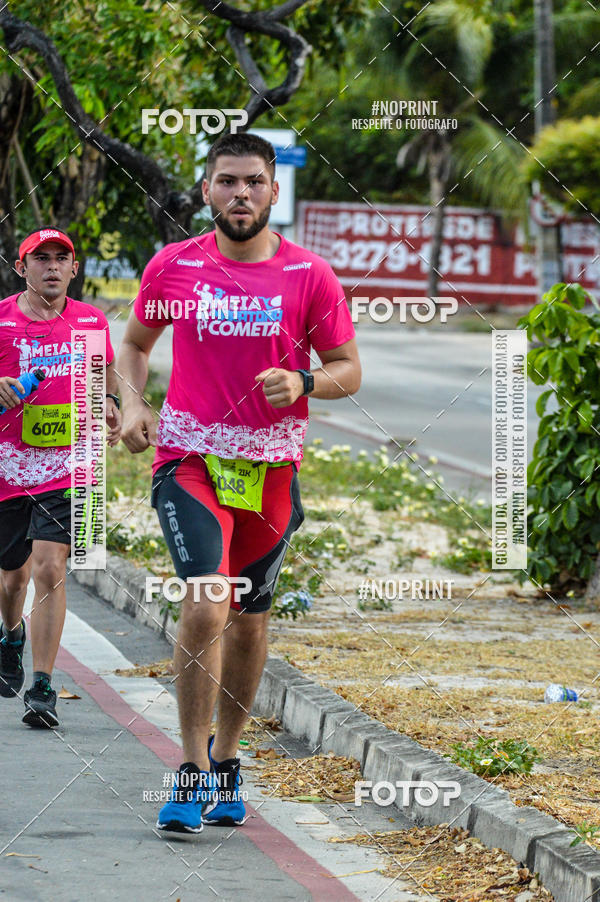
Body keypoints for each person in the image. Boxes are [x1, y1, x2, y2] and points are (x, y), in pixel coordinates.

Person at [118, 132, 361, 835]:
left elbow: (348, 367)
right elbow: (134, 345)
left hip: (272, 471)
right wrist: (132, 403)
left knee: (250, 620)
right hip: (189, 459)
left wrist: (306, 380)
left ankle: (227, 760)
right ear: (207, 190)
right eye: (227, 181)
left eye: (254, 182)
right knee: (205, 603)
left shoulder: (309, 276)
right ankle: (189, 770)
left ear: (273, 192)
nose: (241, 194)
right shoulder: (174, 267)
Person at [0, 228, 121, 727]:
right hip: (8, 465)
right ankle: (11, 636)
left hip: (71, 464)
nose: (52, 266)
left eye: (61, 259)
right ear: (21, 267)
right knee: (13, 578)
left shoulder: (91, 320)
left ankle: (43, 685)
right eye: (40, 258)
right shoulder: (2, 320)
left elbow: (107, 372)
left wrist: (112, 404)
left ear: (74, 269)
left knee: (51, 566)